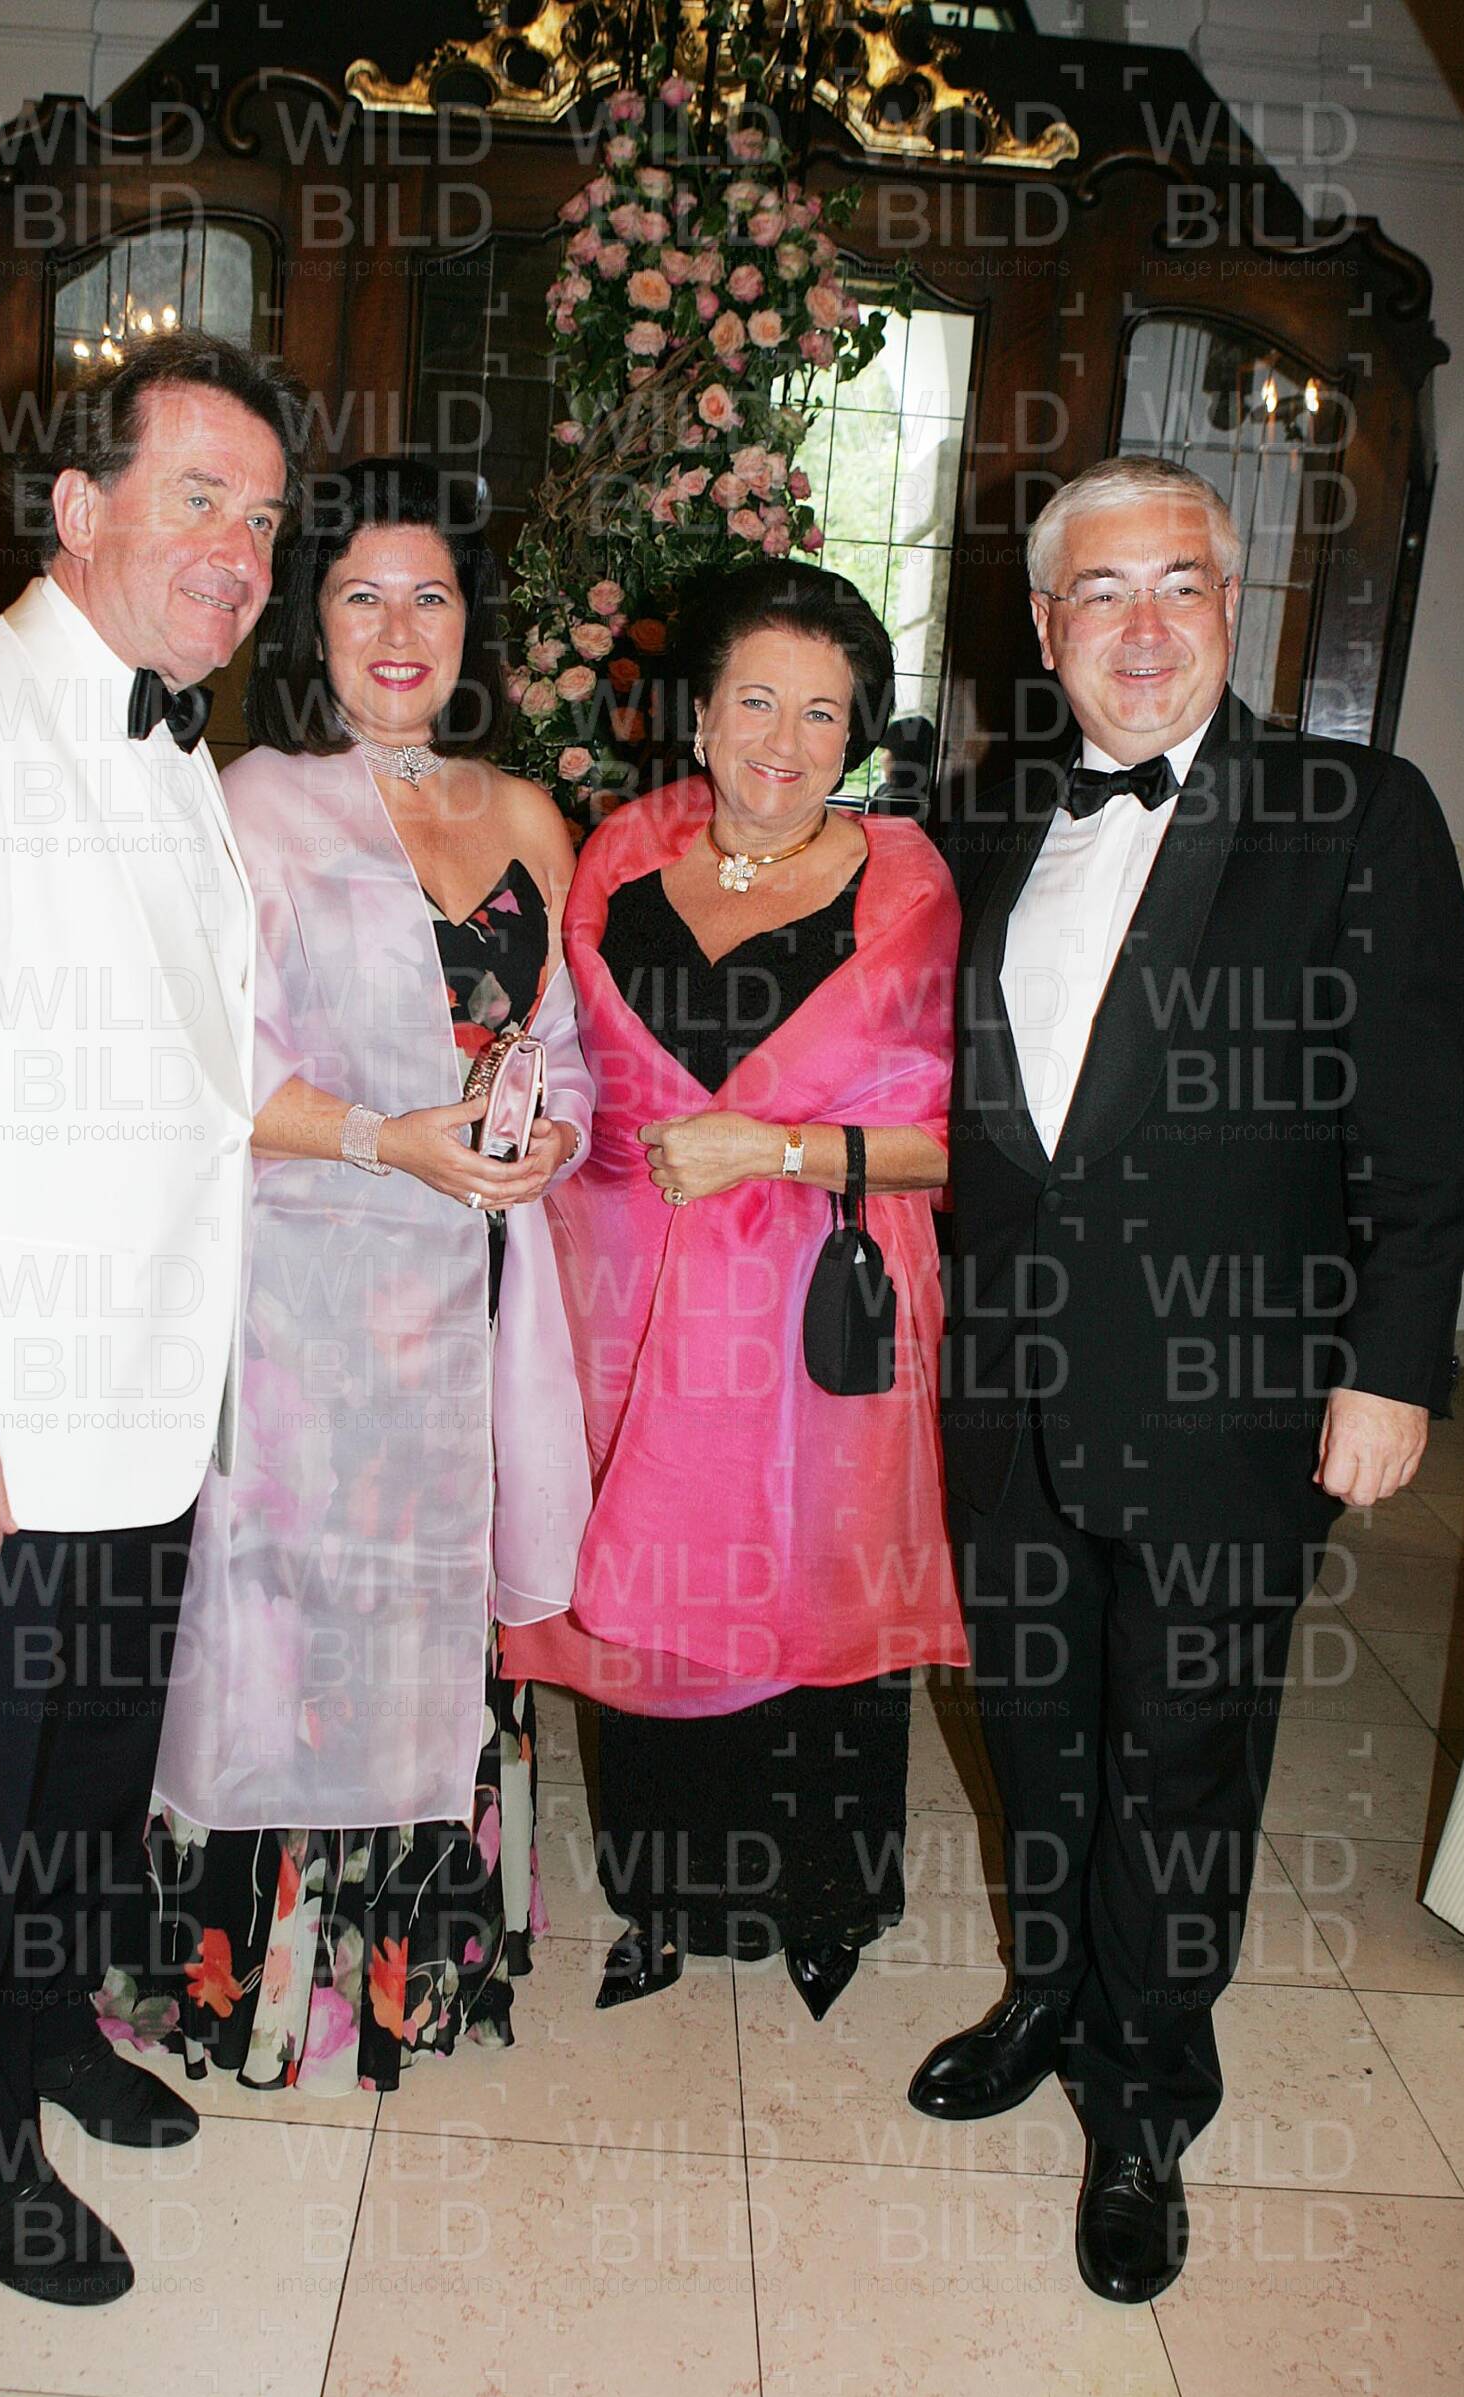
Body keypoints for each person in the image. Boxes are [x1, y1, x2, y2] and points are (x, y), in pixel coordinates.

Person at [916, 454, 1464, 2303]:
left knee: (1181, 1755)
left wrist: (1391, 1370)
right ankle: (1048, 1996)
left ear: (1233, 609)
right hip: (1009, 1390)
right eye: (1100, 591)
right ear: (1043, 624)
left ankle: (1147, 2090)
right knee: (1034, 1732)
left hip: (1235, 1393)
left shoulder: (1353, 811)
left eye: (1179, 586)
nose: (1141, 627)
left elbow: (1423, 1122)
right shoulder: (991, 821)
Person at [0, 331, 306, 2302]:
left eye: (265, 520)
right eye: (199, 498)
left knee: (86, 1774)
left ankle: (50, 2031)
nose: (242, 552)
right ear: (77, 505)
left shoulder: (174, 748)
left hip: (147, 1395)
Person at [134, 456, 593, 2096]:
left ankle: (413, 1974)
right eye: (361, 596)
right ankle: (260, 1987)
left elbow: (564, 1051)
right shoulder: (249, 803)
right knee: (291, 1621)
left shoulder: (524, 815)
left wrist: (550, 1135)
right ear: (309, 623)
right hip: (307, 1307)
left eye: (431, 596)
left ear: (473, 624)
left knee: (435, 1615)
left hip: (478, 1302)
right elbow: (201, 1070)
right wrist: (389, 1141)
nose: (399, 630)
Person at [503, 561, 967, 2022]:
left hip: (823, 1305)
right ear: (697, 715)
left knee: (817, 1581)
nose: (783, 739)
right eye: (755, 700)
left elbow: (960, 1140)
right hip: (629, 1290)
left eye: (822, 713)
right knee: (655, 1584)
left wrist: (770, 1147)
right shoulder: (615, 865)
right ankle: (667, 1894)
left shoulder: (908, 894)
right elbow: (572, 1066)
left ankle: (822, 1895)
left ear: (858, 737)